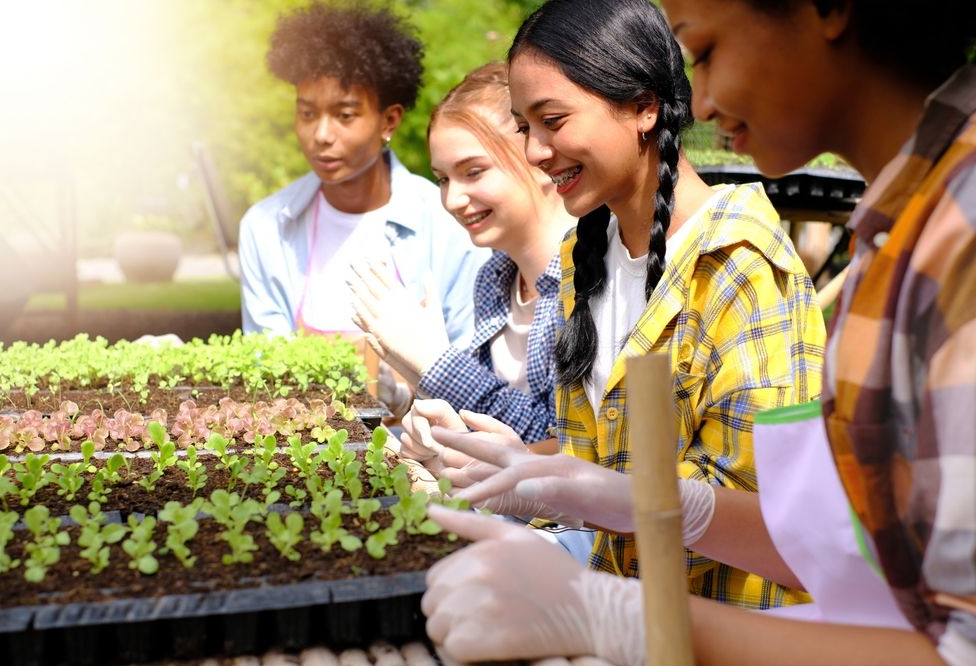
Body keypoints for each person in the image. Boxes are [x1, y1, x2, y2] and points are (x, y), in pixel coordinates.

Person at [421, 0, 976, 664]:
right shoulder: (894, 237)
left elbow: (941, 632)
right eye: (524, 127)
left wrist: (618, 613)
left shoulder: (937, 239)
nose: (702, 101)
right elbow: (839, 534)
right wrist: (538, 472)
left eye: (705, 53)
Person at [406, 0, 825, 608]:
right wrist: (512, 462)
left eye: (553, 120)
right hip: (626, 613)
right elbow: (602, 460)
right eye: (525, 128)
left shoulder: (738, 264)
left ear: (643, 107)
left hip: (727, 627)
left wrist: (571, 489)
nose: (536, 153)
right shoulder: (585, 255)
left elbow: (770, 517)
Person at [237, 1, 488, 350]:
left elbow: (468, 357)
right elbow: (267, 364)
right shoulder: (266, 228)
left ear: (389, 121)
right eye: (308, 113)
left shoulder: (449, 221)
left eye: (345, 115)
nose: (322, 134)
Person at [348, 62, 575, 441]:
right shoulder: (494, 279)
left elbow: (557, 439)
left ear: (538, 157)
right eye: (442, 179)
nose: (452, 198)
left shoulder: (590, 276)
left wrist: (434, 363)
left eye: (473, 172)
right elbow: (484, 421)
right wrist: (413, 389)